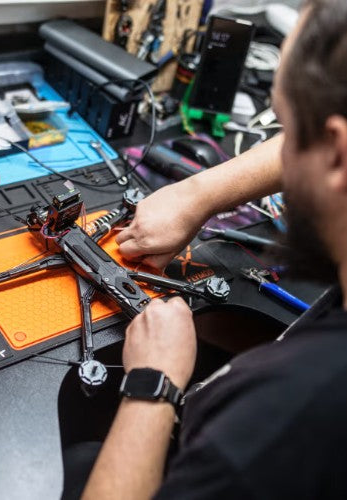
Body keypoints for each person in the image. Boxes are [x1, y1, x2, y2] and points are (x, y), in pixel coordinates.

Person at [74, 0, 347, 497]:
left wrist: (153, 382)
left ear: (336, 154)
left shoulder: (280, 427)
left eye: (286, 129)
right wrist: (197, 194)